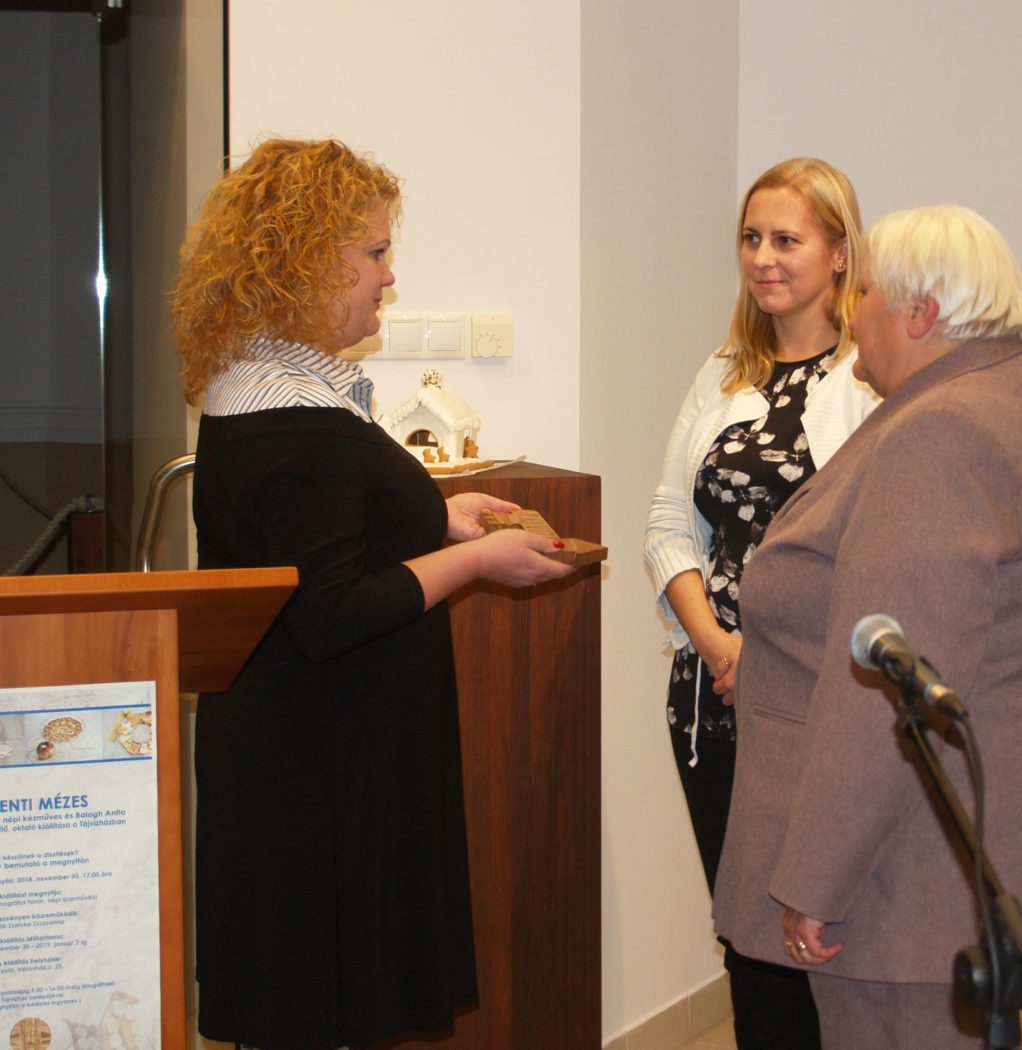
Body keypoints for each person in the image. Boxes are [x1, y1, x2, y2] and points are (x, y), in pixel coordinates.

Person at [171, 138, 576, 1050]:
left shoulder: (270, 387)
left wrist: (440, 516)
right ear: (309, 260)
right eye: (376, 252)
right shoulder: (292, 413)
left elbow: (321, 541)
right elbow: (331, 611)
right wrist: (477, 563)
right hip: (321, 775)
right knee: (317, 1010)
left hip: (309, 753)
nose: (390, 277)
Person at [712, 205, 1022, 1048]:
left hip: (906, 875)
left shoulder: (942, 435)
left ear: (920, 314)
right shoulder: (1011, 398)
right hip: (954, 847)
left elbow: (889, 688)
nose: (849, 314)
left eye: (864, 296)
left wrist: (817, 878)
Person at [643, 157, 879, 1049]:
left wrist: (773, 663)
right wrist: (716, 644)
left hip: (820, 699)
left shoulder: (870, 377)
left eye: (788, 239)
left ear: (840, 252)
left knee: (823, 934)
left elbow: (875, 547)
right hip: (714, 692)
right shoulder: (722, 373)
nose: (764, 258)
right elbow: (668, 524)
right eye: (752, 238)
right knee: (746, 935)